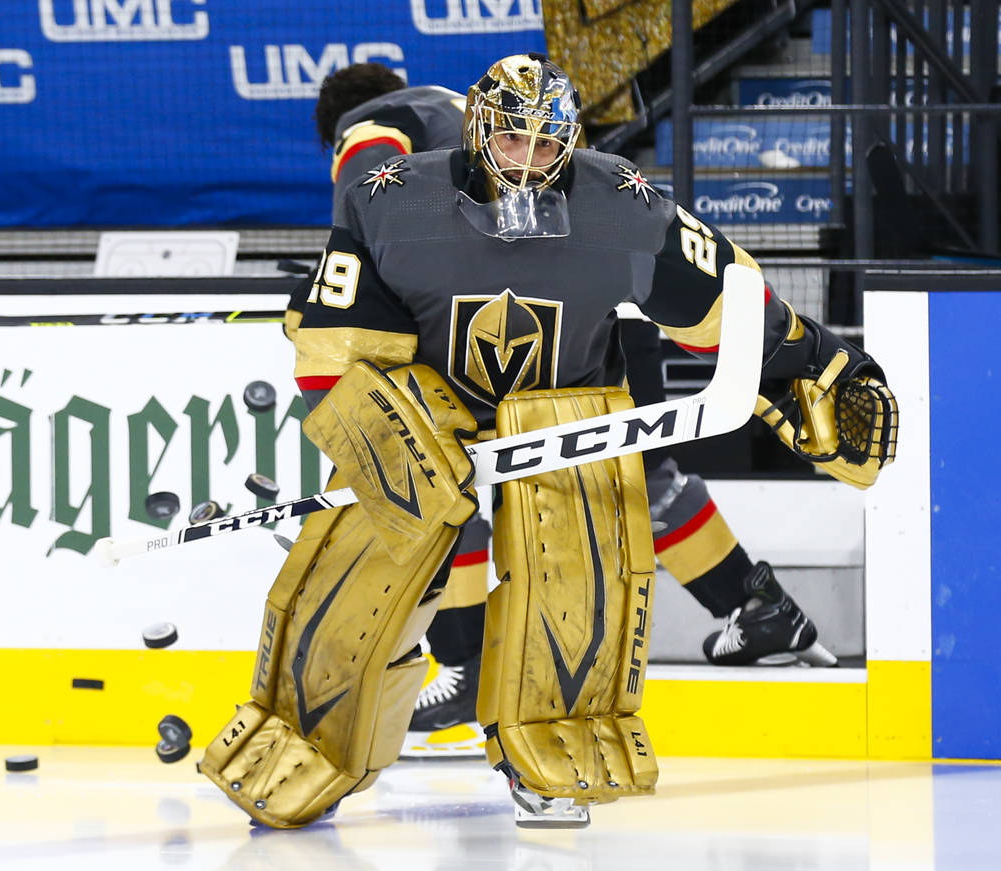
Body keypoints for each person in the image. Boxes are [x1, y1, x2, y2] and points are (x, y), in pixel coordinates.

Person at [202, 53, 897, 829]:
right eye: (512, 142)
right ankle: (310, 730)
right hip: (429, 398)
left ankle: (546, 739)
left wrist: (819, 365)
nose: (530, 163)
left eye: (547, 143)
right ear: (477, 133)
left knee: (579, 553)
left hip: (565, 403)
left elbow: (729, 296)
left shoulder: (622, 203)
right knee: (366, 546)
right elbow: (332, 338)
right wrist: (377, 434)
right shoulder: (390, 199)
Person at [302, 63, 840, 762]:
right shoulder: (444, 101)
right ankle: (756, 604)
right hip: (601, 309)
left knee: (443, 479)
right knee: (634, 473)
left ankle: (464, 663)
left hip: (497, 326)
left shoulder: (367, 126)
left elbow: (363, 233)